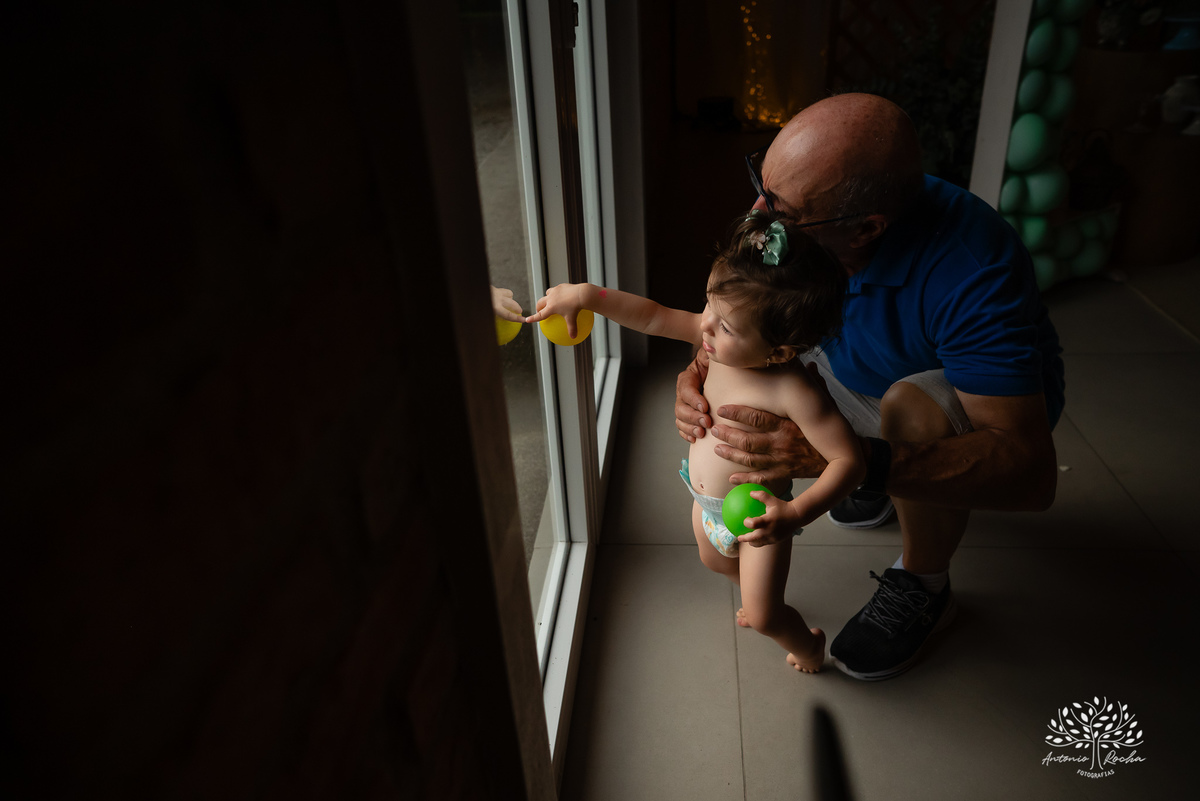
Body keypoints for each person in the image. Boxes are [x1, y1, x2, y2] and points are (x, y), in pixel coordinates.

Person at [675, 93, 1065, 680]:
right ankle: (877, 469)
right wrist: (699, 366)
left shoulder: (972, 269)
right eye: (763, 183)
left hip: (974, 411)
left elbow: (1030, 472)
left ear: (866, 228)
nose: (760, 213)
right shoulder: (799, 217)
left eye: (780, 207)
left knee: (907, 408)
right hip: (852, 374)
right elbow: (734, 308)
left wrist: (853, 462)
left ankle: (925, 583)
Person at [527, 211, 866, 674]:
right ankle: (747, 586)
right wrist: (587, 296)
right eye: (708, 304)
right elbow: (650, 315)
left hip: (760, 519)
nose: (704, 327)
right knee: (715, 564)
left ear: (780, 351)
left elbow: (849, 460)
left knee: (765, 614)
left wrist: (795, 513)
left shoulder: (793, 390)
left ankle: (807, 645)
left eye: (726, 327)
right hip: (705, 504)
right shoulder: (715, 345)